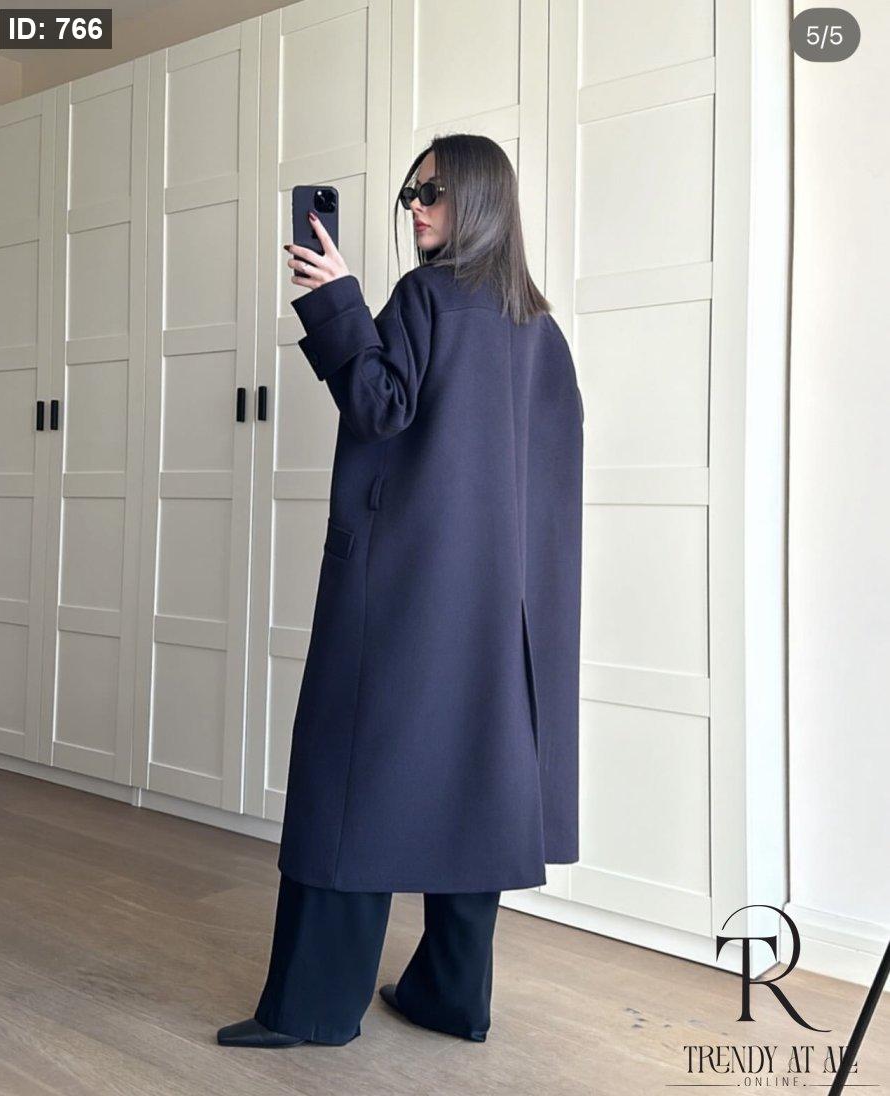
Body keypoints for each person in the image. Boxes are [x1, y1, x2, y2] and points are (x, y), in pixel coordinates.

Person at [217, 133, 583, 1048]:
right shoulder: (542, 329)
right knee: (478, 780)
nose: (417, 208)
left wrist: (333, 298)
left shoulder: (426, 297)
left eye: (435, 192)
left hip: (406, 592)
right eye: (412, 193)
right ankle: (451, 998)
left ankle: (313, 1010)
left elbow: (380, 407)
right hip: (505, 609)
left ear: (481, 201)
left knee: (354, 780)